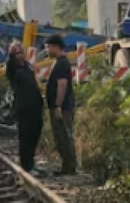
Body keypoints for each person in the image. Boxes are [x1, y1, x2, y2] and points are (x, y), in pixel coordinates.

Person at [5, 41, 43, 172]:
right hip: (23, 106)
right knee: (25, 136)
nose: (20, 55)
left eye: (22, 52)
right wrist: (12, 54)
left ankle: (31, 161)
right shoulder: (13, 68)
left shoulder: (27, 66)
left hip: (35, 105)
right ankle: (26, 165)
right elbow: (10, 70)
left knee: (35, 133)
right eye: (17, 53)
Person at [43, 34, 77, 175]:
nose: (46, 50)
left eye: (48, 47)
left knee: (63, 136)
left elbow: (62, 85)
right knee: (62, 136)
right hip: (61, 106)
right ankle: (67, 166)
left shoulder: (61, 63)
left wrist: (57, 105)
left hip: (62, 107)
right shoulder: (59, 62)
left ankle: (69, 167)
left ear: (56, 47)